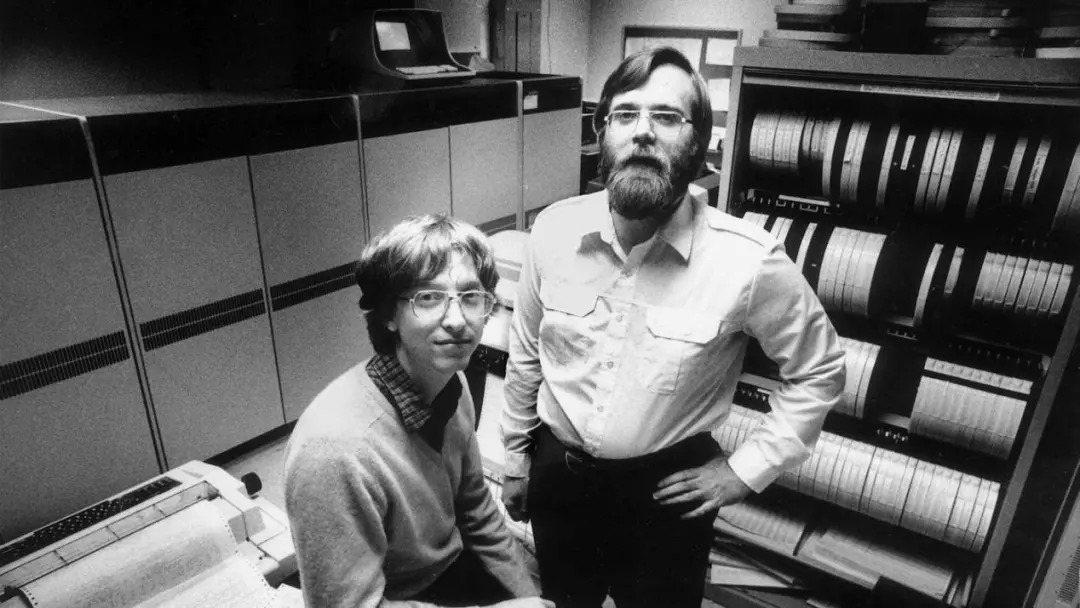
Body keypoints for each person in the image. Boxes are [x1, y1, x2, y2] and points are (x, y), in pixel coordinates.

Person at [500, 47, 846, 608]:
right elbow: (526, 352)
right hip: (559, 481)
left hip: (666, 498)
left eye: (665, 116)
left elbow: (820, 371)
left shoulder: (747, 261)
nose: (642, 132)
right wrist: (516, 458)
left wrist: (744, 471)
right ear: (602, 131)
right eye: (625, 114)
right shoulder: (553, 231)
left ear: (699, 141)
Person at [284, 214, 553, 608]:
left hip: (450, 570)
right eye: (428, 297)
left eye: (470, 296)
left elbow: (475, 508)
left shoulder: (452, 383)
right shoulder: (333, 452)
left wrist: (528, 598)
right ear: (388, 315)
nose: (458, 321)